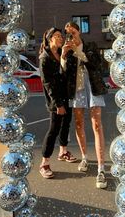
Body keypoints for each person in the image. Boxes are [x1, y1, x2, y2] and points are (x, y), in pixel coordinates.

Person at [61, 22, 108, 189]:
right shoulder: (67, 51)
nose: (71, 36)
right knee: (79, 123)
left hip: (92, 86)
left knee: (96, 125)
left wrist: (79, 51)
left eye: (73, 32)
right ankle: (84, 157)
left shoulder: (91, 45)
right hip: (77, 89)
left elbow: (98, 65)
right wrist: (63, 57)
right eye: (68, 34)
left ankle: (101, 168)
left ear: (78, 31)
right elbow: (64, 75)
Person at [39, 27, 77, 179]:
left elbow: (66, 73)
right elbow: (47, 83)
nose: (61, 38)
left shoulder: (62, 53)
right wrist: (58, 104)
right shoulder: (45, 58)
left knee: (66, 125)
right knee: (53, 130)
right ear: (49, 39)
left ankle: (63, 152)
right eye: (57, 36)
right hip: (56, 100)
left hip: (66, 96)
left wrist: (66, 55)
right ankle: (44, 163)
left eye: (61, 36)